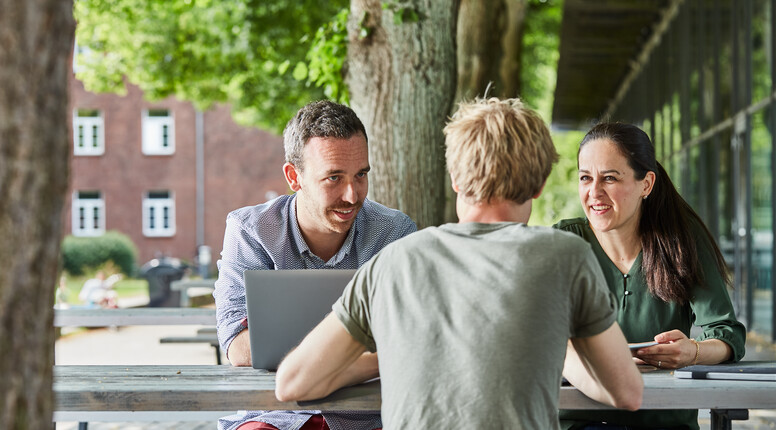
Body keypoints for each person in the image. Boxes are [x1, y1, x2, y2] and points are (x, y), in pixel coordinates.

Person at [275, 98, 643, 429]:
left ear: (454, 178)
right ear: (540, 184)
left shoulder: (392, 262)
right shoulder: (566, 256)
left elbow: (294, 382)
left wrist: (390, 353)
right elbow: (627, 392)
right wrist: (553, 345)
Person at [213, 100, 417, 430]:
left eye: (361, 175)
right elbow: (238, 347)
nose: (352, 195)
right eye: (334, 178)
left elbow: (410, 341)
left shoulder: (394, 233)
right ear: (294, 177)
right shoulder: (251, 231)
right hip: (274, 414)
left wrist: (320, 365)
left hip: (365, 417)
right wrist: (362, 359)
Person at [554, 122, 746, 430]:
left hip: (664, 422)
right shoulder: (564, 243)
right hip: (582, 422)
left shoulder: (682, 240)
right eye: (585, 178)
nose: (594, 192)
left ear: (647, 184)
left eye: (610, 178)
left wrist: (692, 352)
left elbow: (728, 335)